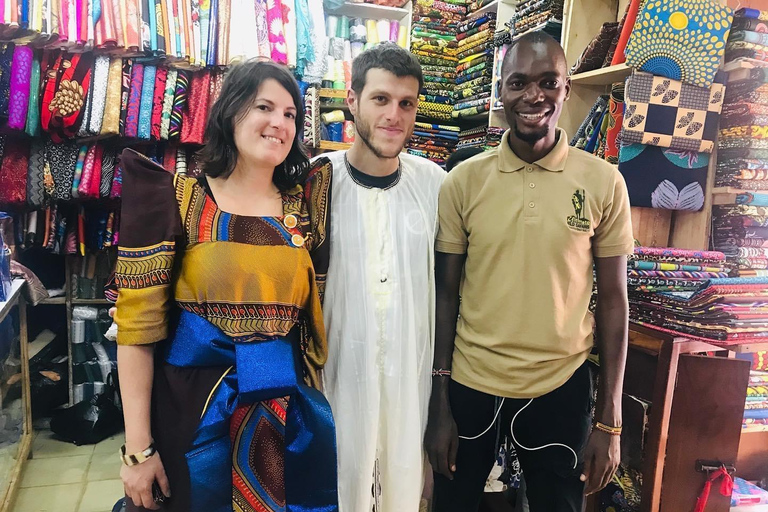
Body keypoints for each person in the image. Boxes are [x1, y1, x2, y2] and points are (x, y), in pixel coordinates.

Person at [113, 59, 337, 512]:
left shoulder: (307, 207)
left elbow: (314, 318)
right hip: (192, 409)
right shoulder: (179, 199)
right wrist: (138, 450)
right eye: (264, 107)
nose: (279, 122)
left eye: (291, 114)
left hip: (282, 405)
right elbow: (136, 330)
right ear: (231, 112)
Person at [426, 31, 634, 512]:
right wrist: (439, 400)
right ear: (501, 91)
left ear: (565, 88)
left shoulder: (603, 182)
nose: (532, 96)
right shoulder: (464, 181)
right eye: (518, 83)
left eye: (548, 82)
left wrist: (610, 417)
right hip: (471, 382)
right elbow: (445, 295)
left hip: (560, 385)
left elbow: (615, 299)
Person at [318, 42, 447, 512]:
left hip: (409, 388)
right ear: (351, 101)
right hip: (334, 385)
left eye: (406, 104)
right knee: (335, 490)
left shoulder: (435, 185)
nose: (394, 115)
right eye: (380, 99)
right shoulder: (317, 183)